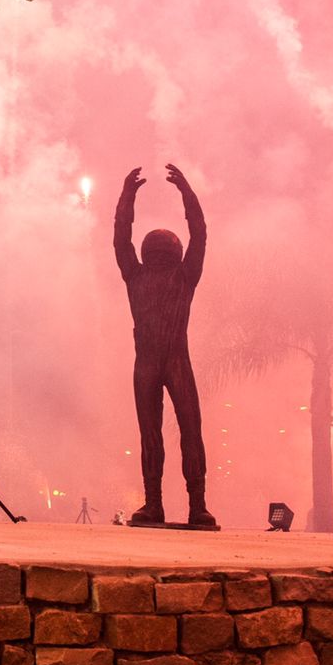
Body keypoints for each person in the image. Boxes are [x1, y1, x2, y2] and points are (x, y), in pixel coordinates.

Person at [113, 163, 216, 529]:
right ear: (175, 251)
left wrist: (129, 197)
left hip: (162, 362)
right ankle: (177, 504)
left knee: (171, 432)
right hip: (165, 362)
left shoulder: (140, 274)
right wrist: (184, 193)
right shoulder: (179, 275)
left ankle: (182, 504)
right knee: (177, 431)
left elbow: (121, 239)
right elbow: (199, 234)